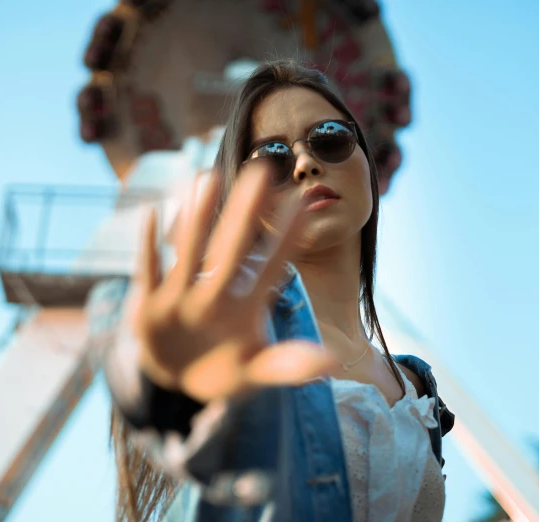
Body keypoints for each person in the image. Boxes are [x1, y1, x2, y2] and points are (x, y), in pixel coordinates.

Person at [98, 59, 454, 522]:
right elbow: (137, 349)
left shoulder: (416, 389)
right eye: (271, 159)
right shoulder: (237, 326)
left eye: (329, 137)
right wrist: (170, 390)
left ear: (365, 159)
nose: (306, 163)